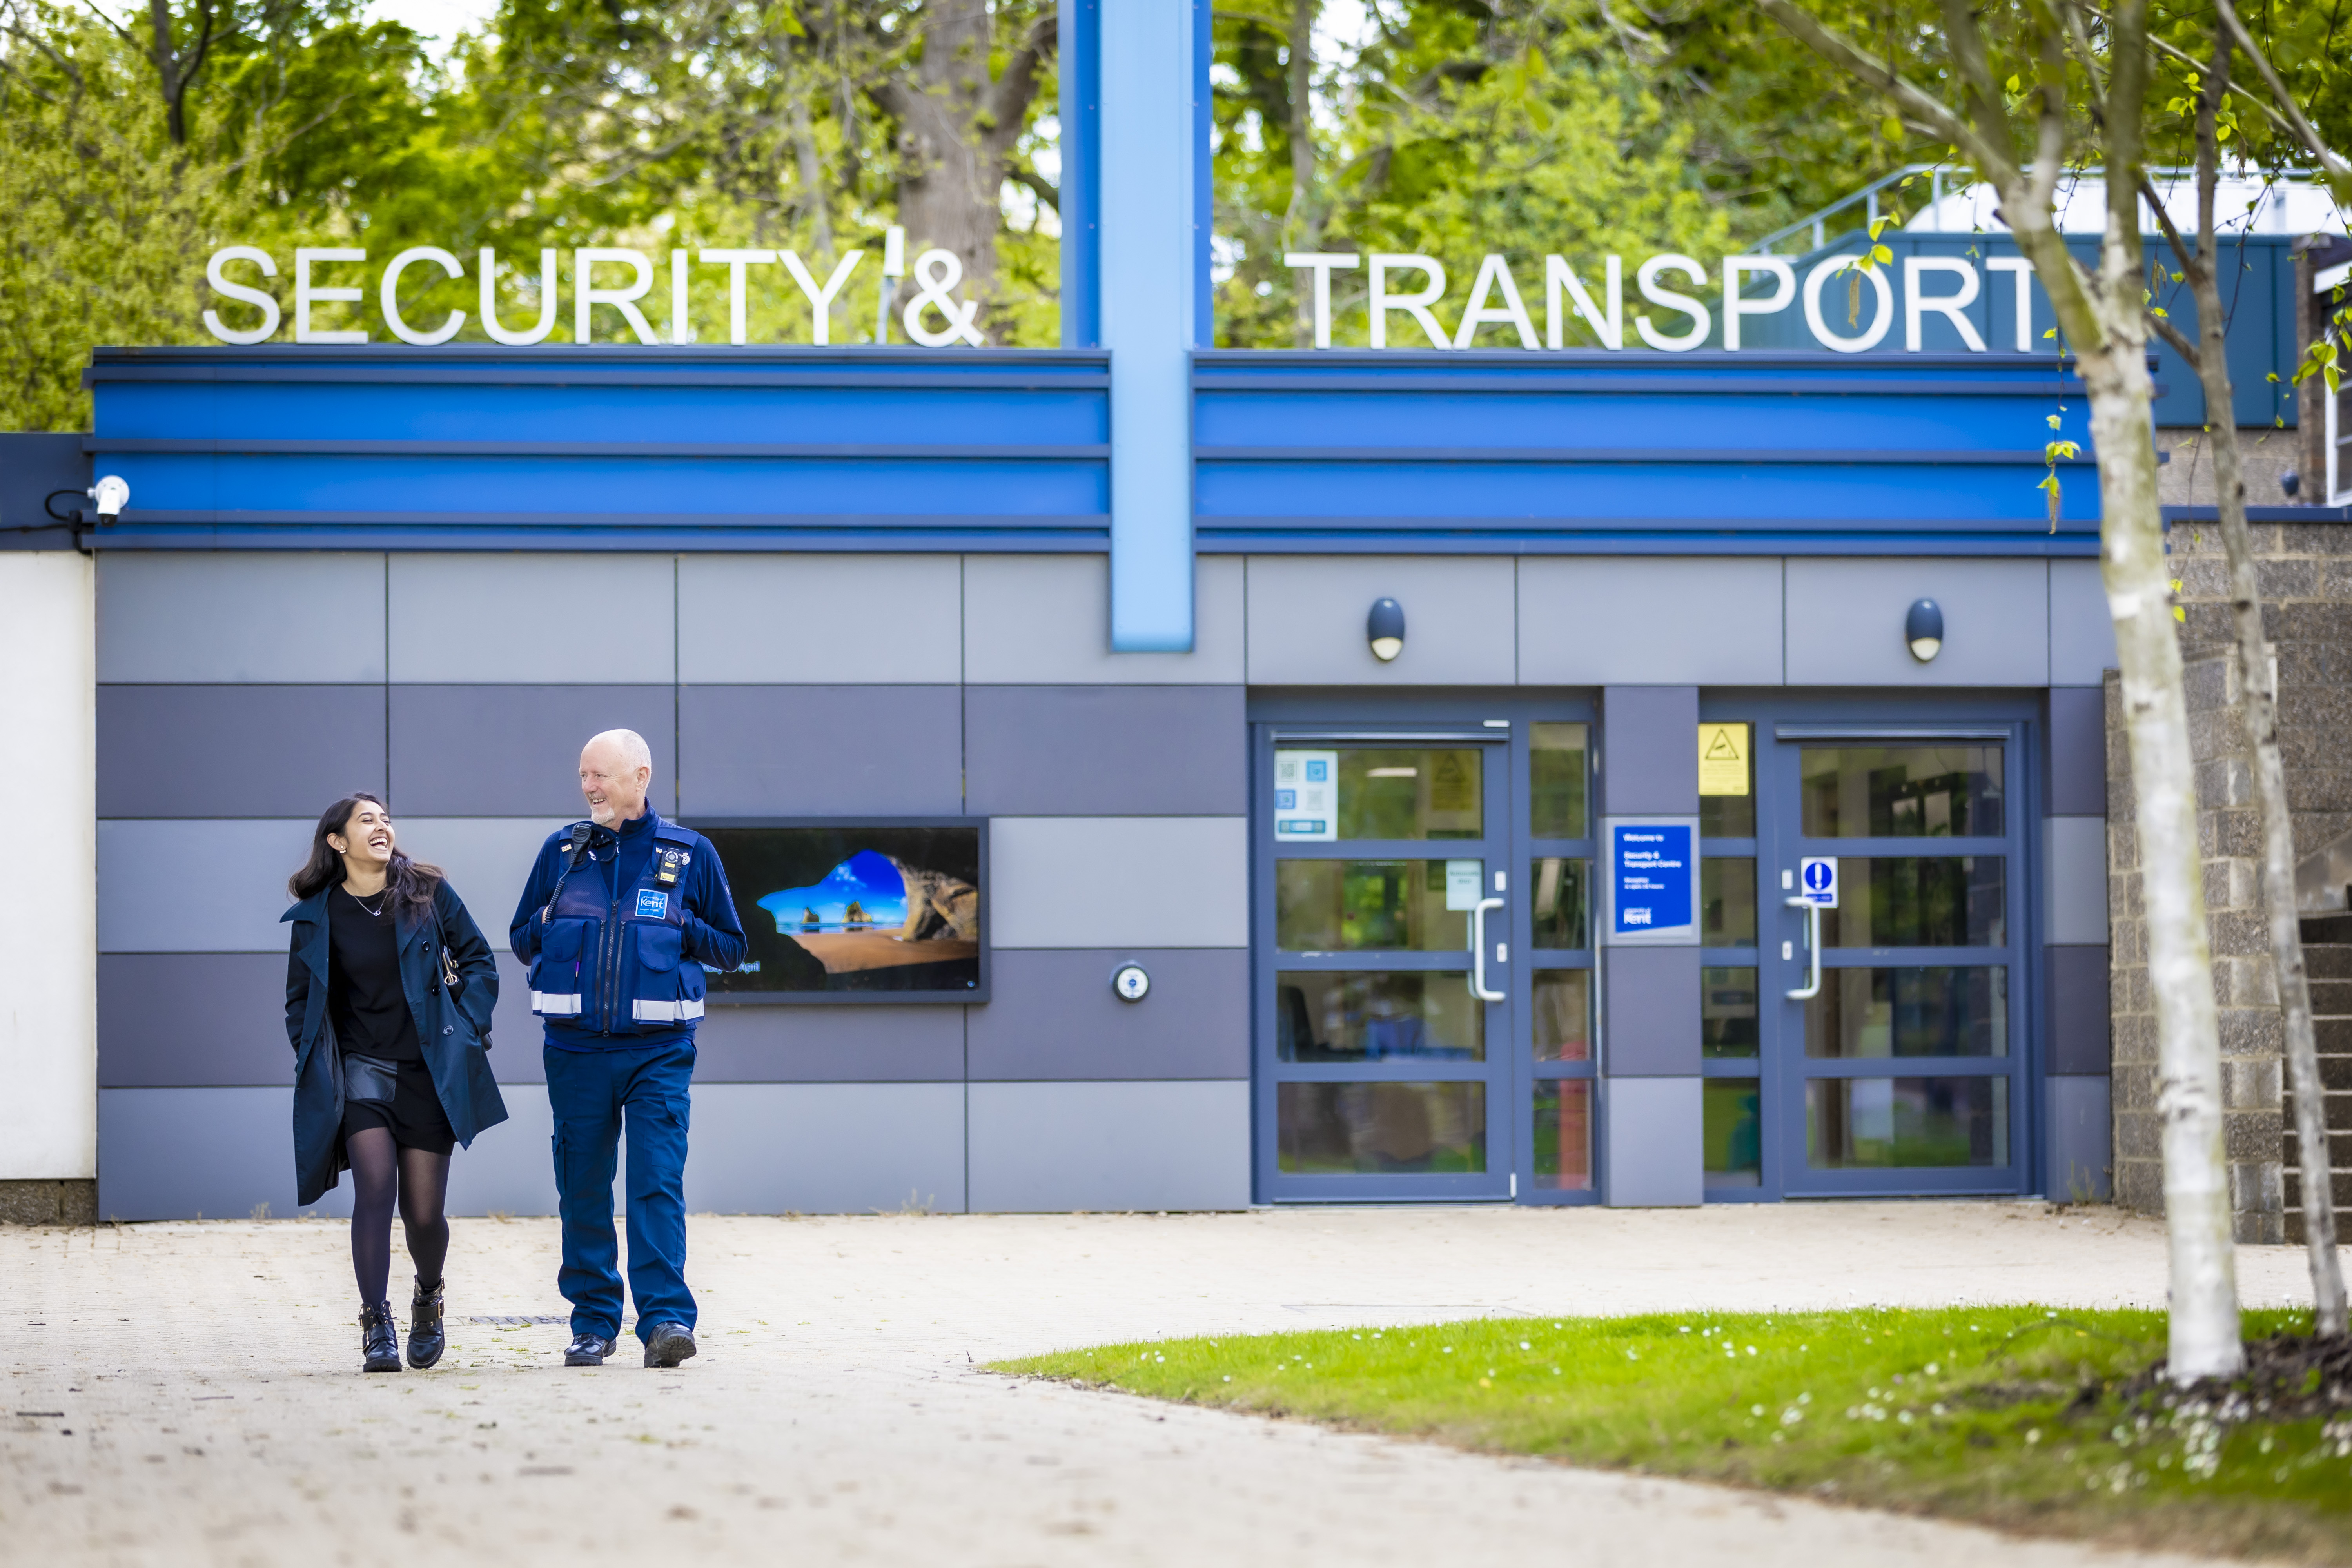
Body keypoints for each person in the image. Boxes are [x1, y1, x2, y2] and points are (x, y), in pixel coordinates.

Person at [510, 730, 745, 1370]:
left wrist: (677, 923)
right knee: (582, 1187)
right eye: (583, 776)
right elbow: (521, 938)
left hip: (659, 1053)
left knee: (654, 1184)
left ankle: (666, 1319)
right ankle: (593, 1323)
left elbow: (732, 946)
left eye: (602, 777)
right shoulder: (562, 852)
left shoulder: (691, 854)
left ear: (641, 777)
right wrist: (554, 921)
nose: (589, 788)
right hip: (575, 1051)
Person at [285, 793, 507, 1373]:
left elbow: (481, 962)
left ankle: (428, 1296)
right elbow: (299, 1002)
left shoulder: (427, 893)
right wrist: (313, 1060)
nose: (382, 826)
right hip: (362, 1070)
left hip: (428, 1070)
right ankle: (375, 1321)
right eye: (367, 820)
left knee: (425, 1214)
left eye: (385, 819)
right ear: (338, 842)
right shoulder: (318, 914)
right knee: (375, 1189)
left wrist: (466, 1026)